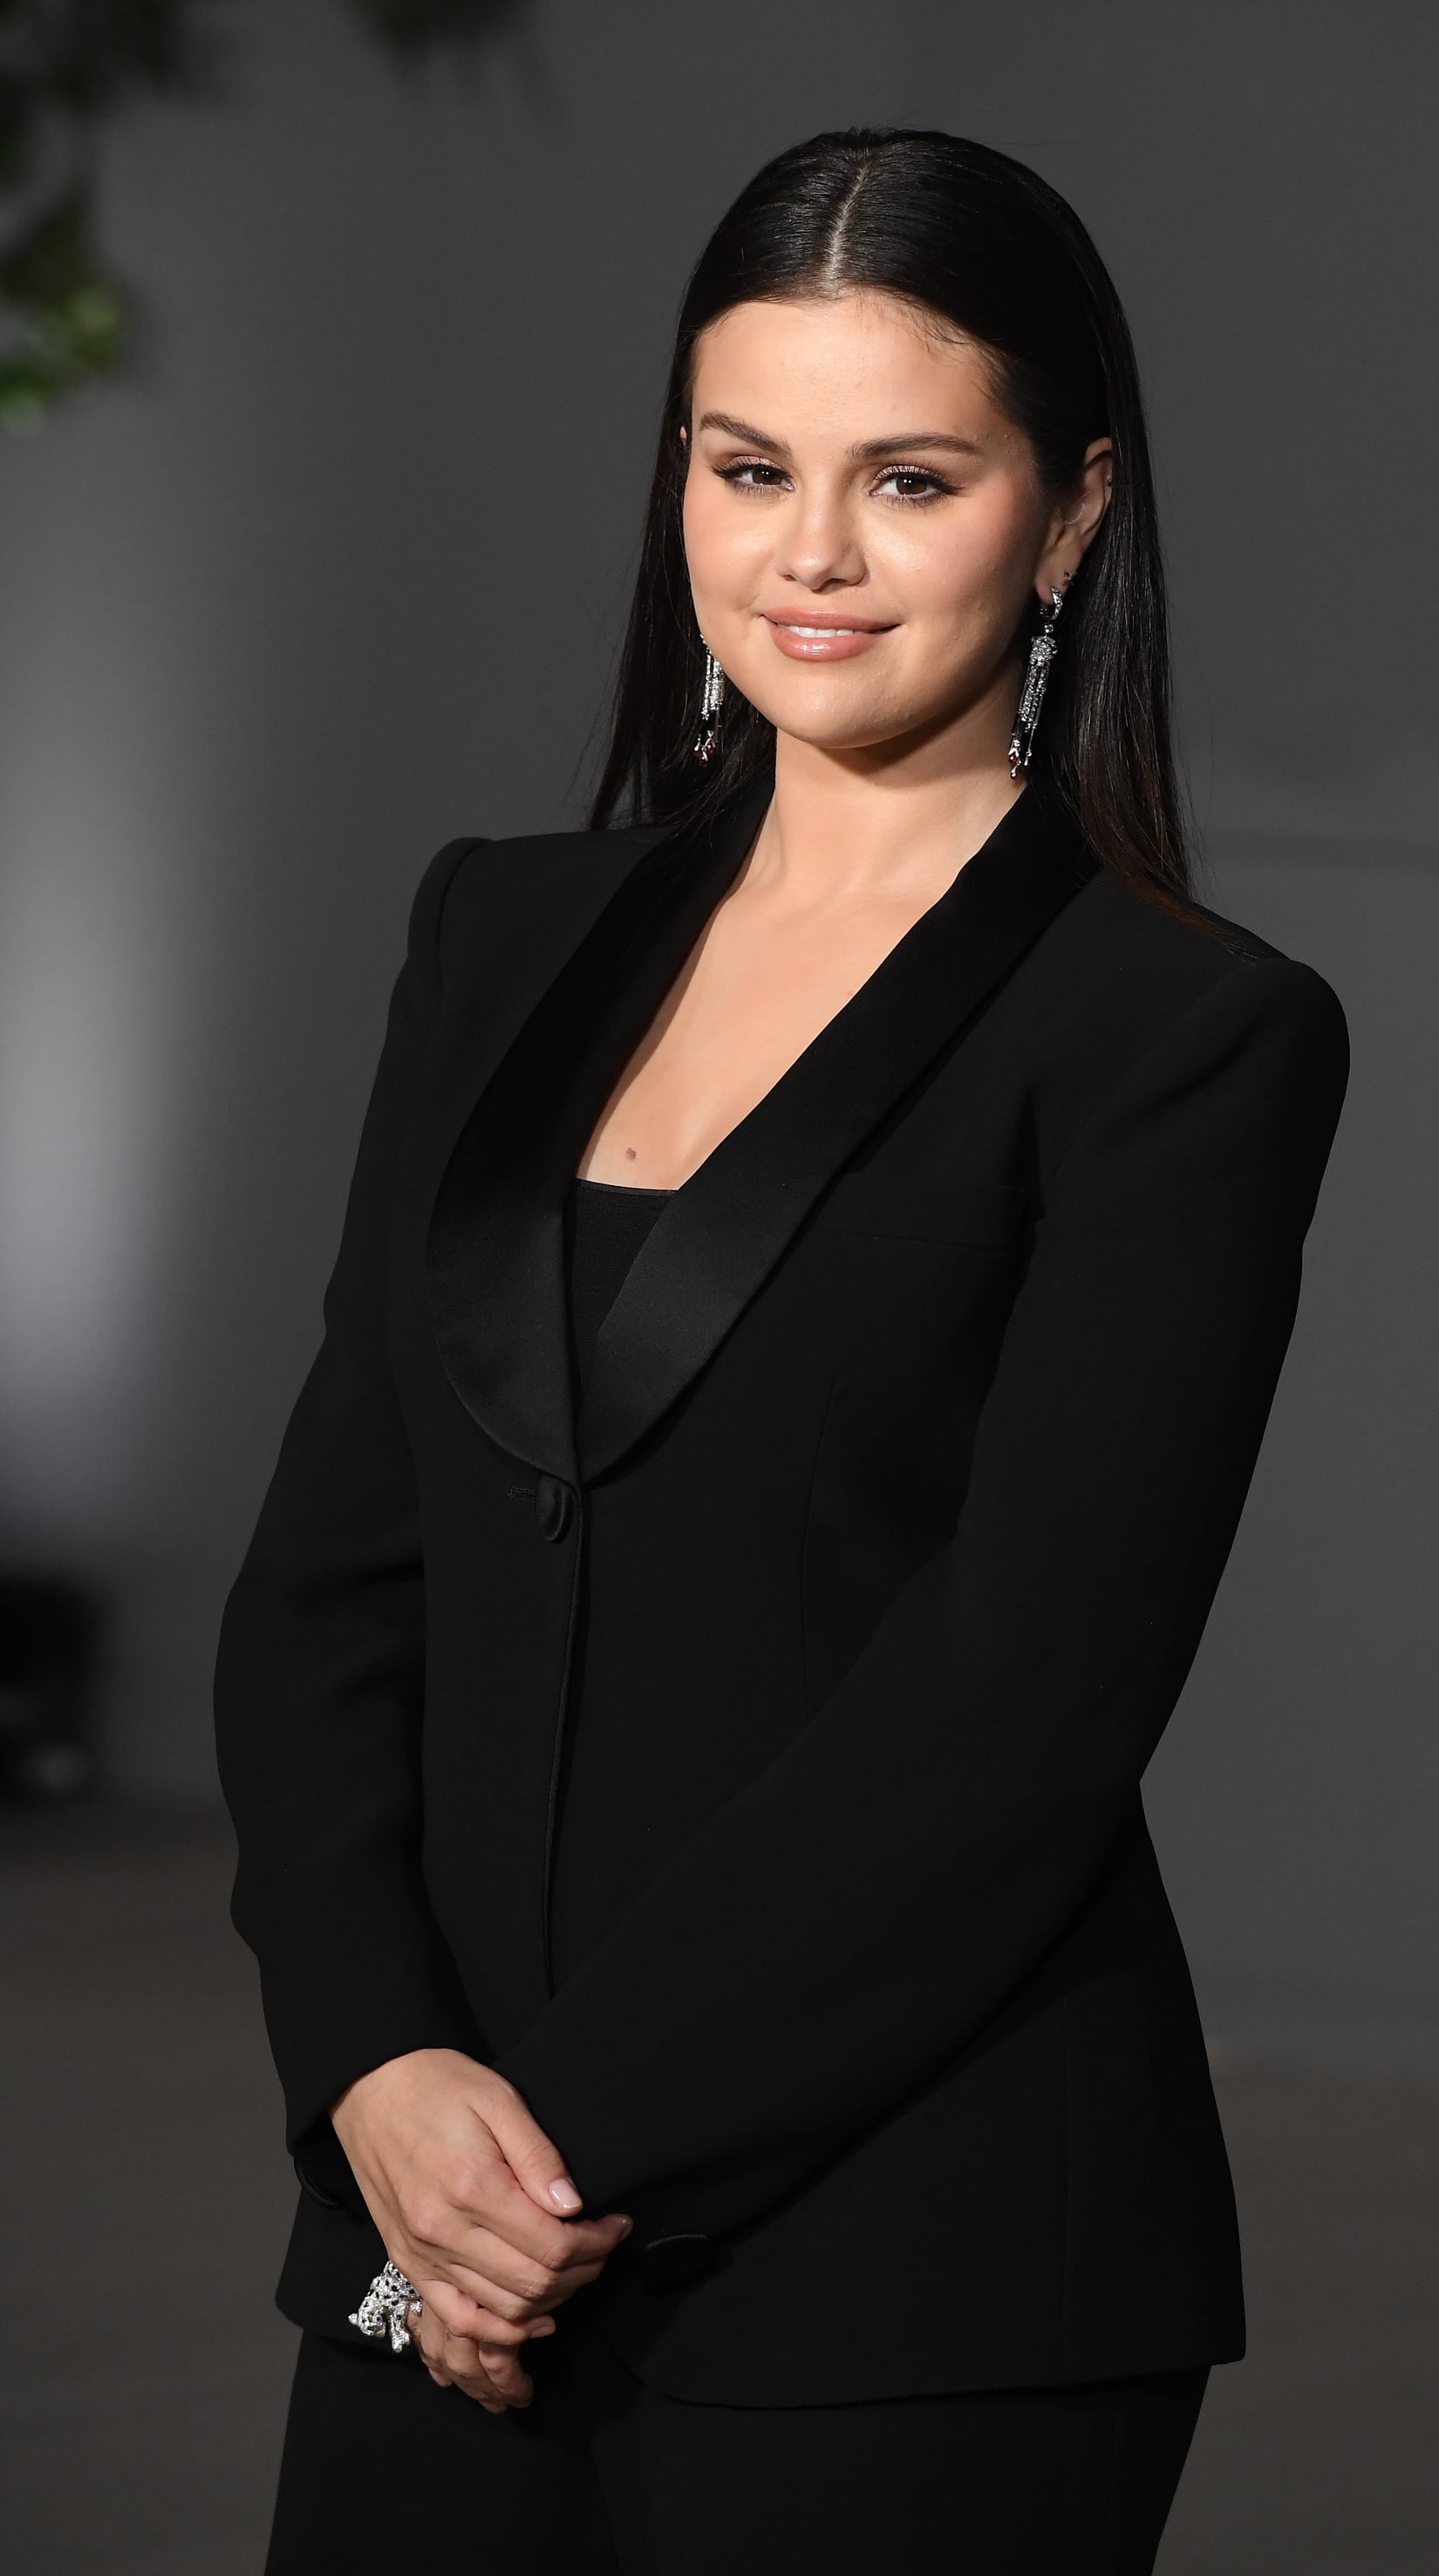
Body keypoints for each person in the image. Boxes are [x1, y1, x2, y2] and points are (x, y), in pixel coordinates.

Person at [216, 125, 1348, 2575]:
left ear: (1067, 515)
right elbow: (330, 1579)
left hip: (913, 2262)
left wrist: (543, 2156)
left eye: (907, 477)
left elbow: (1016, 1705)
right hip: (428, 2229)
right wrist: (382, 2076)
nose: (806, 555)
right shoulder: (496, 932)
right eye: (748, 467)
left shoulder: (1182, 1035)